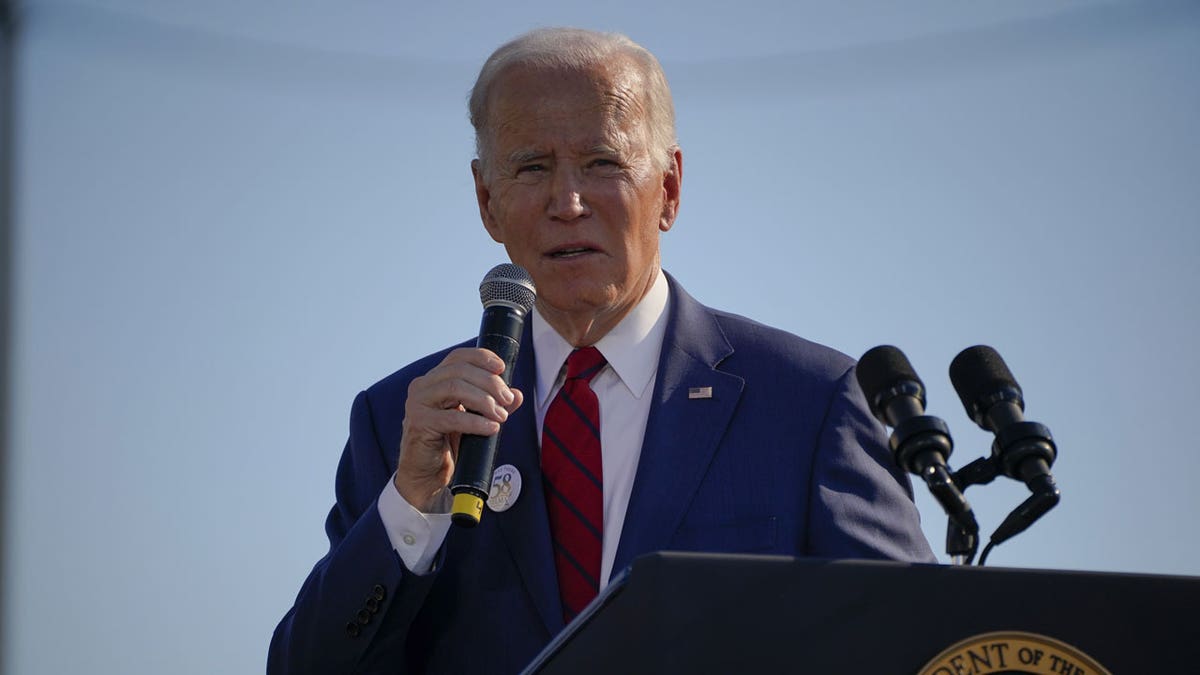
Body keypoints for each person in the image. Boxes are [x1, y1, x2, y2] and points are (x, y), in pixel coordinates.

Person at [268, 27, 935, 675]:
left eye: (603, 163)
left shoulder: (805, 402)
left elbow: (919, 647)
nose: (568, 201)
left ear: (668, 188)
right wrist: (412, 504)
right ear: (487, 202)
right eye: (532, 168)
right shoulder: (400, 423)